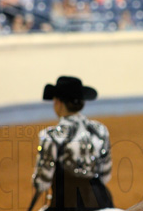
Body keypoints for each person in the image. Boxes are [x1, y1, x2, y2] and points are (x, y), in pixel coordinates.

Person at [32, 76, 114, 210]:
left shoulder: (51, 136)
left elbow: (42, 183)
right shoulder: (100, 130)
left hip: (65, 204)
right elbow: (105, 175)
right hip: (101, 201)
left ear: (58, 102)